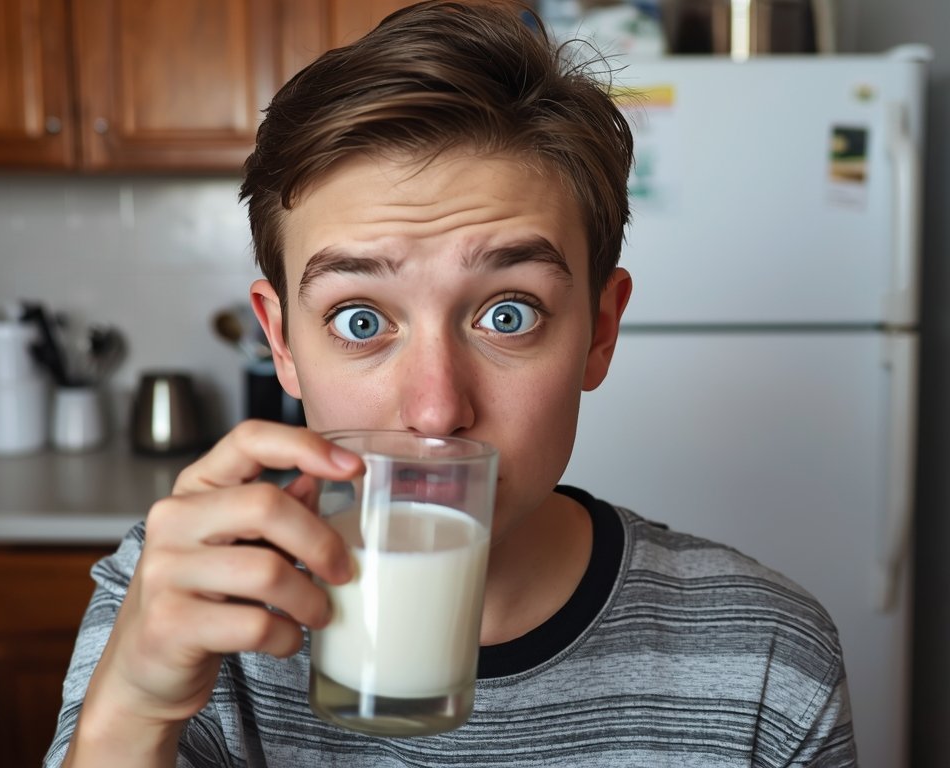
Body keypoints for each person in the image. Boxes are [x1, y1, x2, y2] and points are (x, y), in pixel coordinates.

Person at [45, 2, 857, 765]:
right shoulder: (185, 602)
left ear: (599, 334)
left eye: (509, 314)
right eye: (360, 319)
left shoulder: (767, 657)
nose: (437, 411)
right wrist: (132, 714)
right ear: (281, 344)